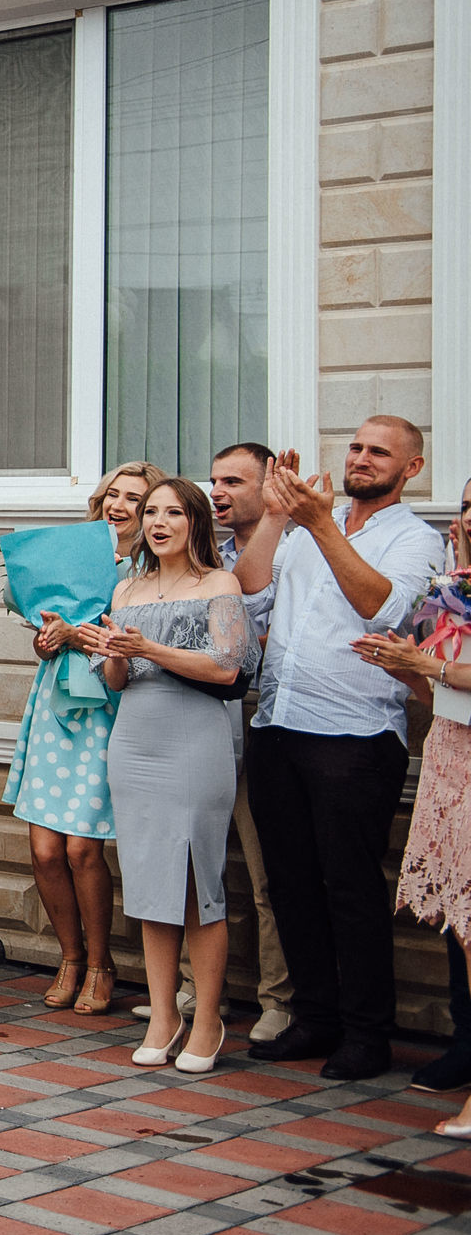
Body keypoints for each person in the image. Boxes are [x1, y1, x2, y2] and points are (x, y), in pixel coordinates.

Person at [235, 416, 445, 1080]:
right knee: (291, 882)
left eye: (379, 451)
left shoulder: (416, 539)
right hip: (278, 725)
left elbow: (385, 610)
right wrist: (273, 516)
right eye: (355, 446)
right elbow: (247, 593)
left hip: (355, 736)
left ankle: (366, 1033)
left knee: (351, 888)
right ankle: (316, 1016)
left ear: (409, 468)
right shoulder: (298, 530)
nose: (361, 458)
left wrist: (322, 524)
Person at [79, 477, 259, 1074]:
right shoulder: (127, 589)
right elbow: (118, 683)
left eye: (171, 512)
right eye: (149, 512)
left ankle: (207, 1016)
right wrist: (110, 652)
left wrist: (151, 650)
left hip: (195, 741)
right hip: (134, 741)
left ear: (195, 522)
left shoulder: (219, 584)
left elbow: (228, 667)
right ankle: (163, 1013)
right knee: (151, 883)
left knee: (196, 886)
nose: (156, 522)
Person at [6, 462, 159, 1015]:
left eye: (135, 499)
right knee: (45, 849)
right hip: (54, 703)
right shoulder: (75, 556)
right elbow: (47, 633)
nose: (120, 506)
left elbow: (136, 651)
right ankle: (68, 958)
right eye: (113, 495)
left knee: (82, 848)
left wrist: (81, 636)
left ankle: (100, 964)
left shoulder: (150, 572)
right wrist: (49, 641)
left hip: (110, 707)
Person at [357, 477, 471, 1128]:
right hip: (450, 758)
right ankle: (466, 1043)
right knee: (461, 915)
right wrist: (401, 663)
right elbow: (434, 692)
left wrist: (428, 668)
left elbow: (444, 673)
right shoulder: (451, 591)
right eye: (467, 505)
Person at [206, 441, 296, 1044]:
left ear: (268, 486)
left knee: (266, 871)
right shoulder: (202, 551)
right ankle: (198, 990)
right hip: (207, 716)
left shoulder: (298, 548)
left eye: (234, 481)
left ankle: (279, 998)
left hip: (265, 714)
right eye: (214, 480)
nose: (218, 491)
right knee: (203, 863)